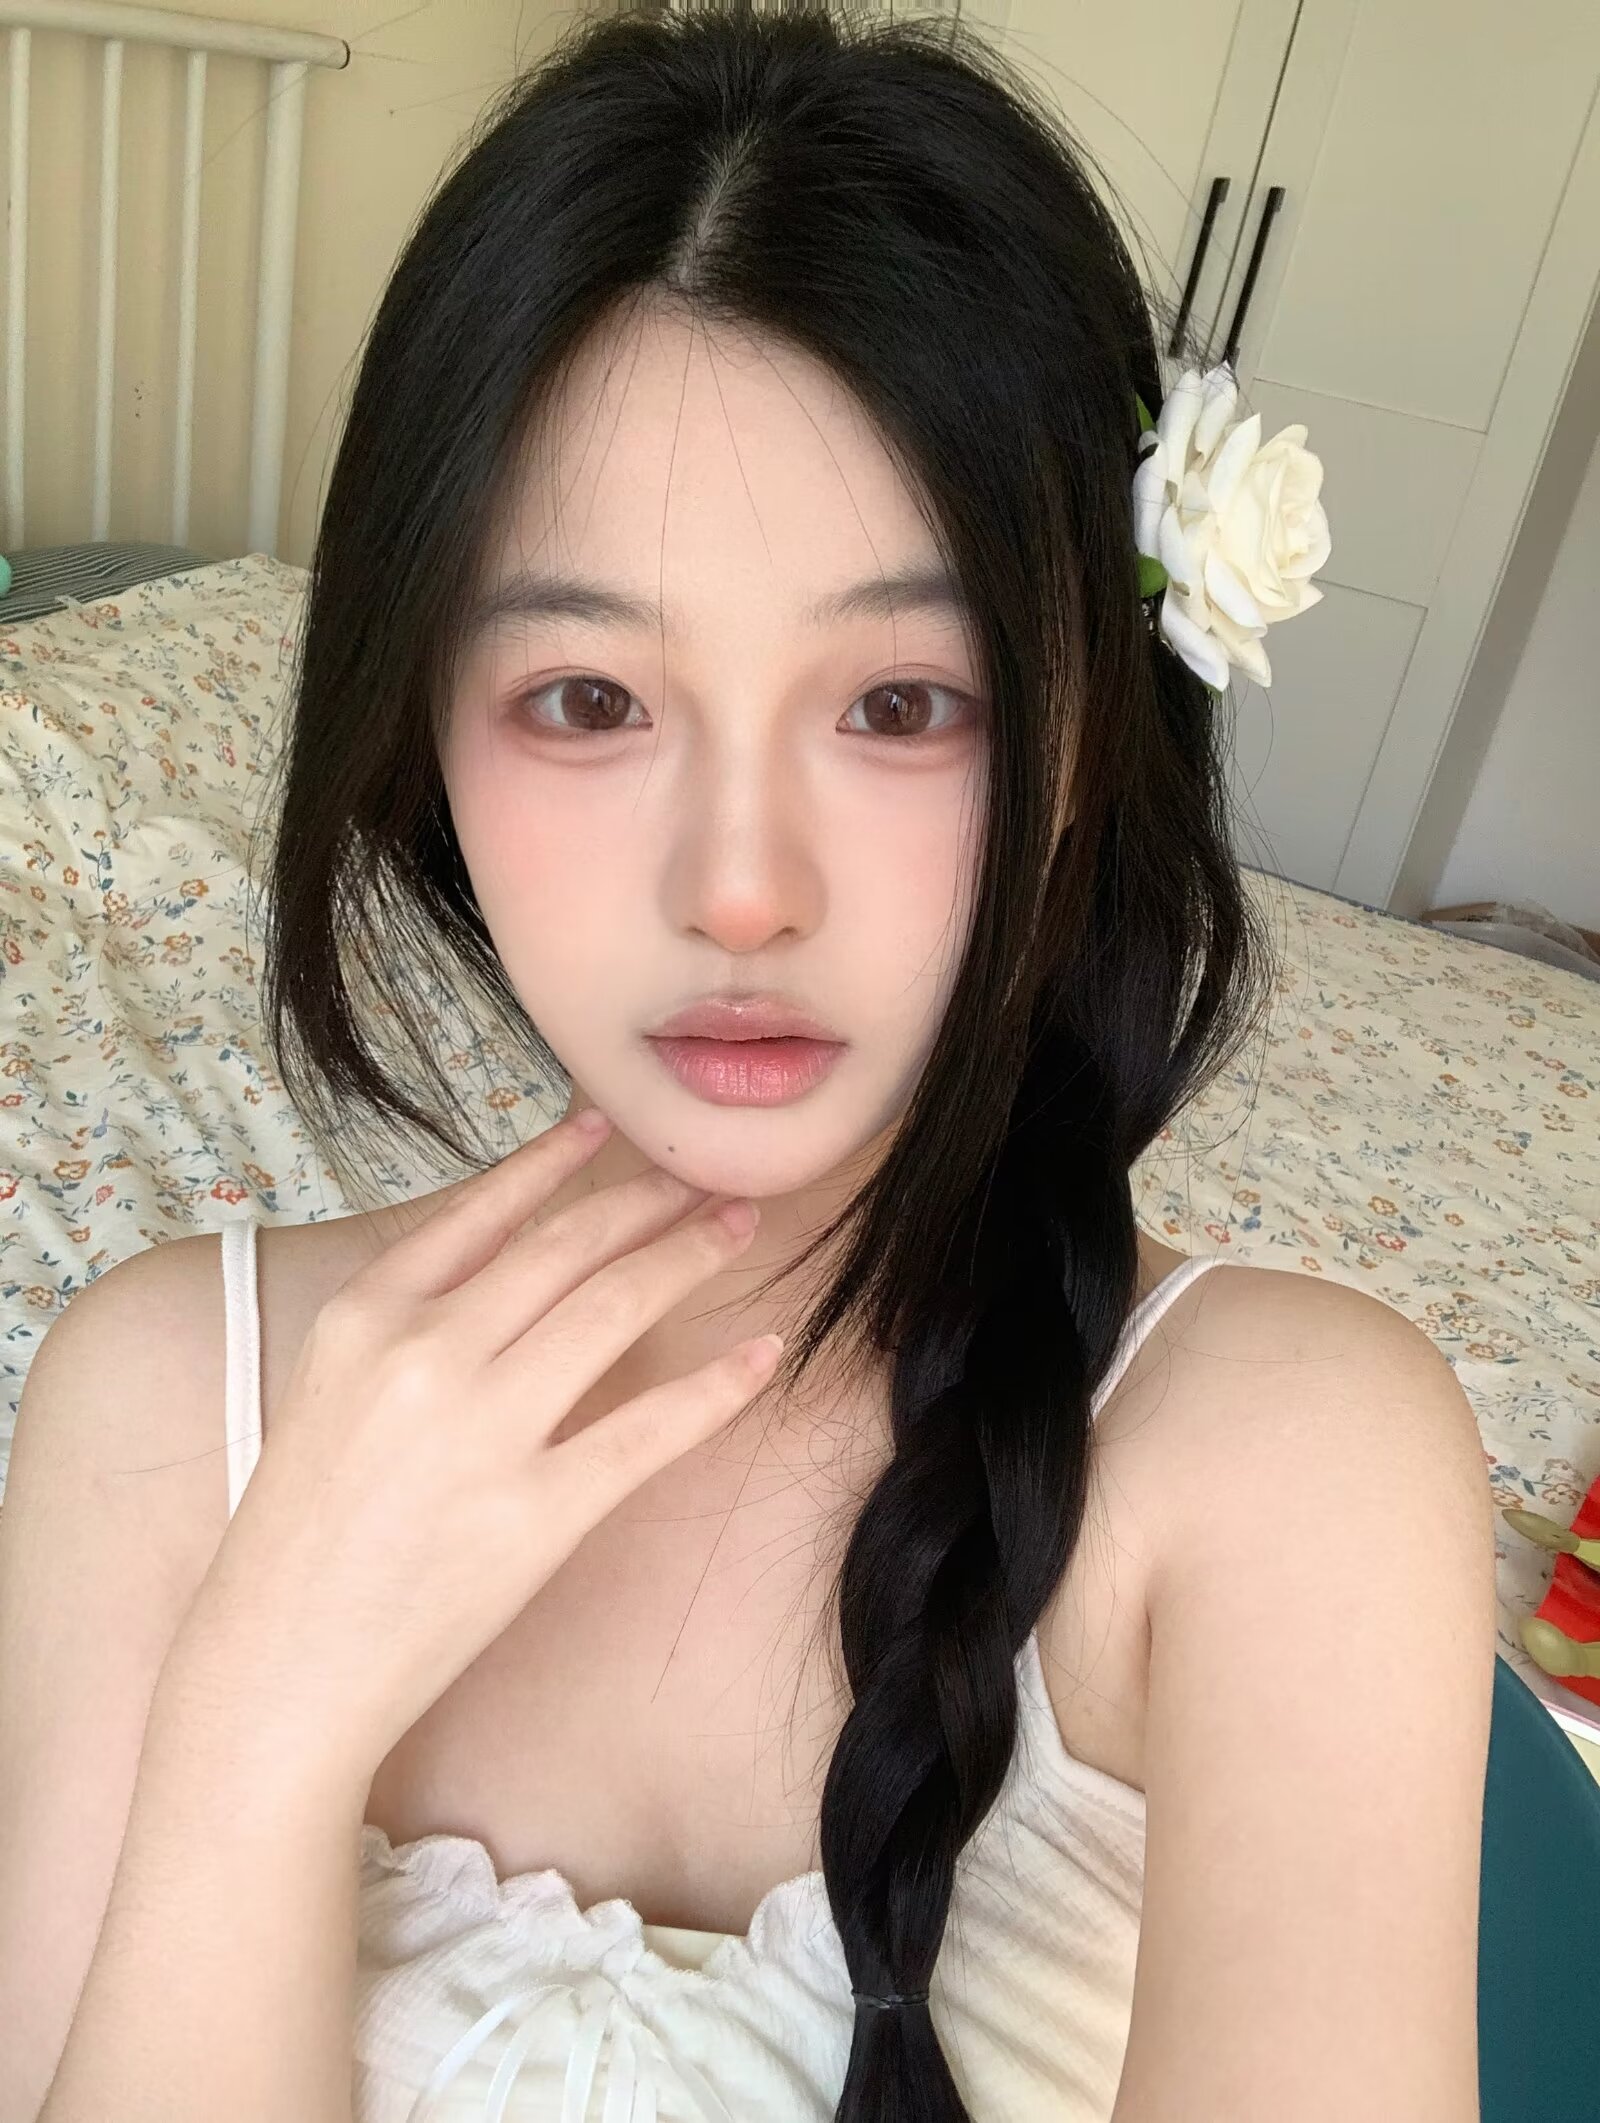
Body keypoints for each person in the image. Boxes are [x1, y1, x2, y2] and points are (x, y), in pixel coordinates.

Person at [0, 11, 1496, 2123]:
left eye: (901, 703)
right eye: (588, 699)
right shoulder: (163, 1409)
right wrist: (267, 1706)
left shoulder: (1286, 1466)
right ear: (424, 734)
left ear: (1083, 738)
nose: (737, 888)